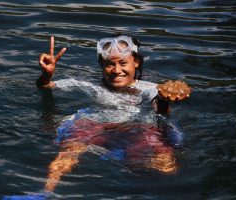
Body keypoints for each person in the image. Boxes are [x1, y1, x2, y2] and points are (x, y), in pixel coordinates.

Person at [36, 35, 192, 192]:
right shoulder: (92, 86)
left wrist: (165, 99)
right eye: (110, 64)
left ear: (136, 62)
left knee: (166, 166)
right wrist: (46, 75)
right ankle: (45, 192)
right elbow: (47, 86)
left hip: (136, 130)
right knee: (68, 153)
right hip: (95, 127)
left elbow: (159, 108)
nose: (117, 70)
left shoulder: (150, 88)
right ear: (101, 65)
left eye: (123, 63)